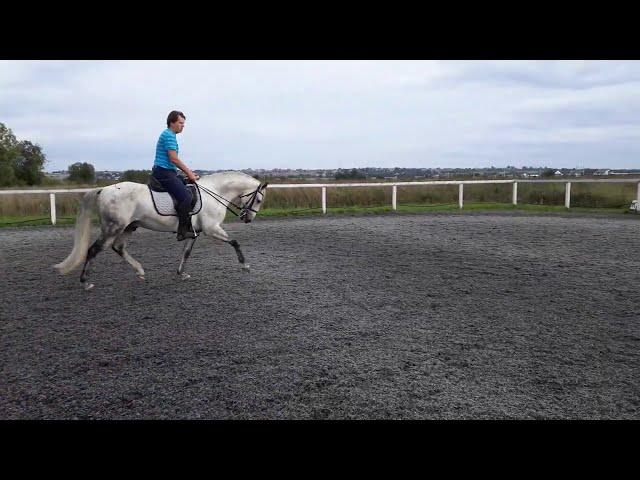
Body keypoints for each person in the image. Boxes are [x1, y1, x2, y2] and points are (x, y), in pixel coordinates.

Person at [151, 110, 200, 241]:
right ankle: (182, 232)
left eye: (183, 123)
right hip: (163, 172)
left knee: (189, 186)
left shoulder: (170, 135)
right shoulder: (168, 136)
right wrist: (188, 172)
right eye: (180, 123)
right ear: (172, 122)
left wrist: (188, 175)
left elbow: (172, 162)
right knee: (186, 198)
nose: (183, 126)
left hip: (168, 171)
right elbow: (174, 159)